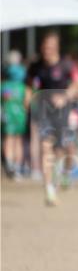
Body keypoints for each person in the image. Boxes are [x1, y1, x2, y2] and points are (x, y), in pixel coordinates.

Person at [25, 32, 78, 206]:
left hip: (65, 112)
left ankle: (64, 174)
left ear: (56, 47)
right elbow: (28, 85)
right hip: (44, 112)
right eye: (44, 46)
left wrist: (65, 97)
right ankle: (49, 191)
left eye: (50, 47)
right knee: (45, 147)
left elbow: (77, 83)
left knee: (67, 149)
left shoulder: (67, 64)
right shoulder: (36, 66)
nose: (46, 50)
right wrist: (28, 99)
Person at [2, 51, 28, 179]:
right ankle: (17, 168)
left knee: (9, 139)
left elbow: (4, 100)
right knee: (18, 141)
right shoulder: (23, 87)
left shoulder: (4, 86)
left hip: (8, 115)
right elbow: (27, 103)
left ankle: (10, 165)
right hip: (20, 116)